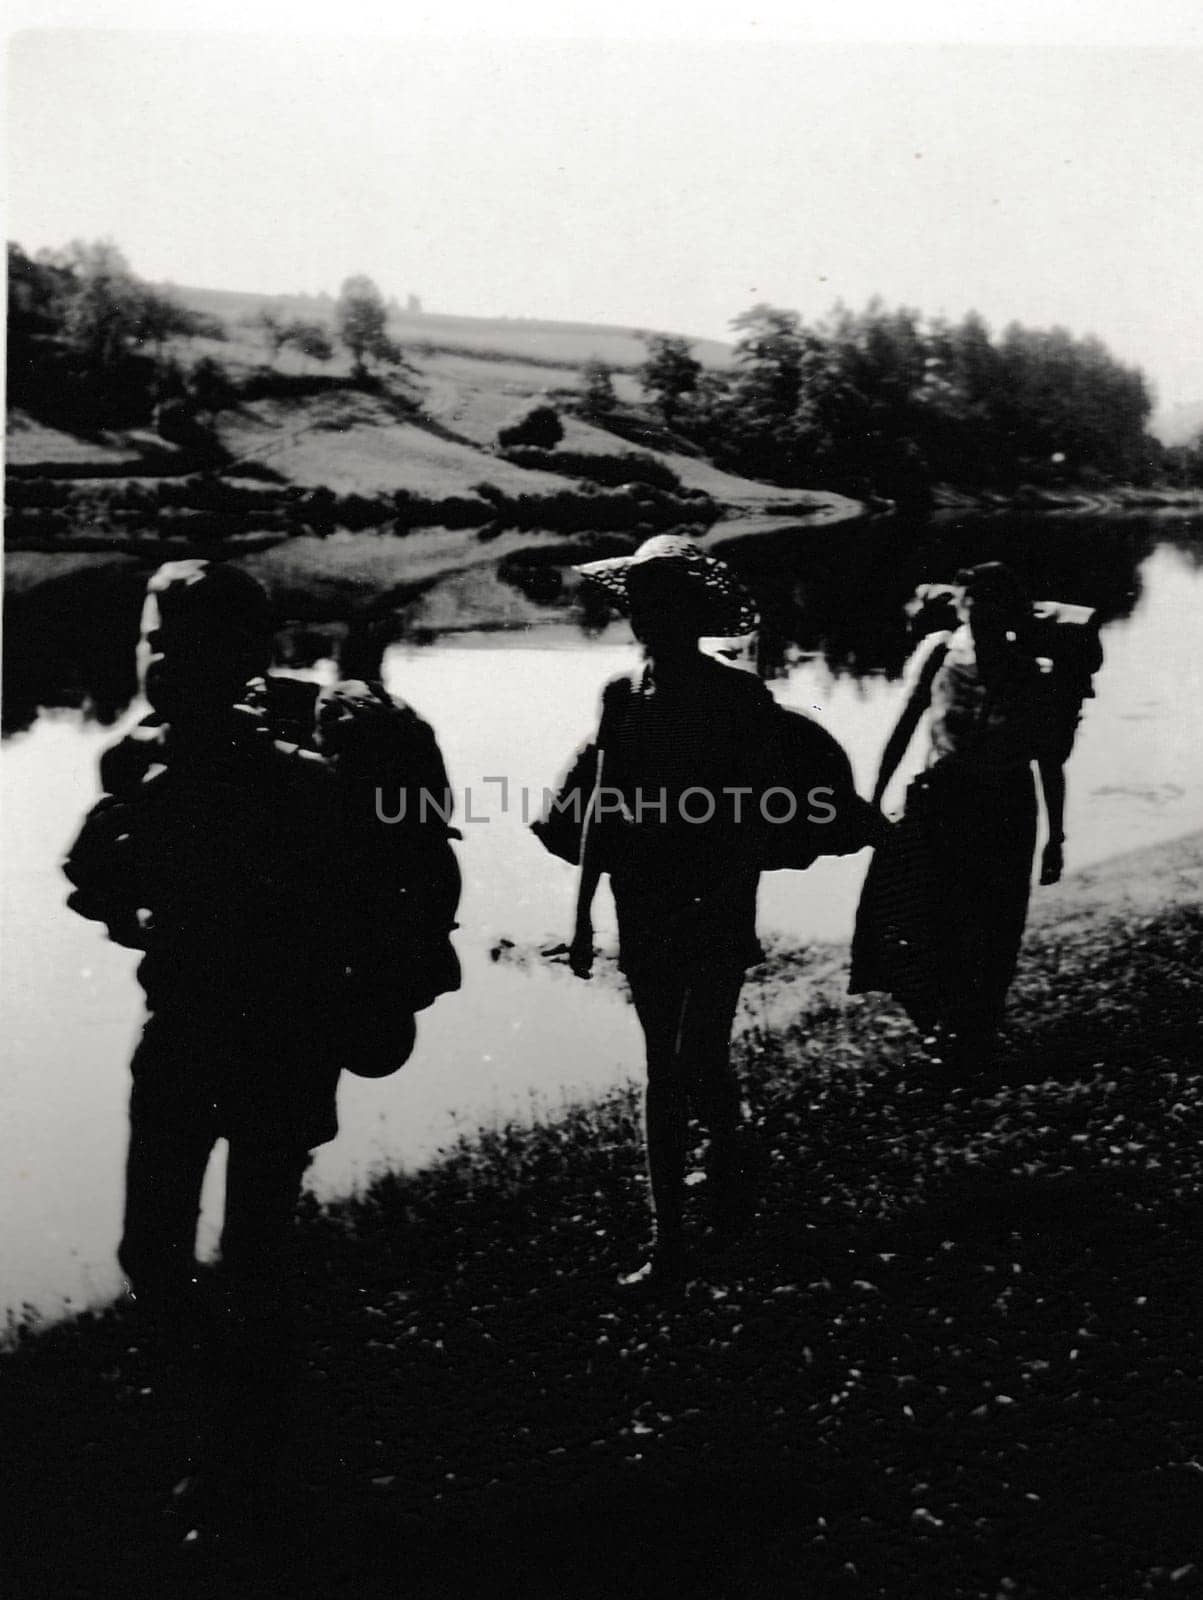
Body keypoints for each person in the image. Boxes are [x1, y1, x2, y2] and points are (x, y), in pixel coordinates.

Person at [62, 559, 459, 1533]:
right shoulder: (136, 763)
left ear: (245, 655)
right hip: (181, 1032)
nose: (161, 662)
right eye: (154, 641)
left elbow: (345, 912)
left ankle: (243, 1457)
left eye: (183, 644)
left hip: (279, 1039)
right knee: (150, 1252)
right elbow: (105, 888)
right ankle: (242, 1423)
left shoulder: (307, 781)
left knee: (252, 1256)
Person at [534, 534, 879, 1288]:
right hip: (643, 894)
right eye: (643, 605)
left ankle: (726, 1152)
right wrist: (583, 916)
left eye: (668, 605)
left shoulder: (736, 696)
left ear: (694, 614)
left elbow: (755, 814)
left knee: (701, 1058)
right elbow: (596, 809)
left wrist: (723, 887)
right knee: (665, 1064)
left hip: (717, 892)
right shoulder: (619, 696)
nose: (651, 618)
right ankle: (669, 1244)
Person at [851, 561, 1067, 1068]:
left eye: (994, 606)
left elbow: (1049, 761)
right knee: (911, 915)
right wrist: (874, 797)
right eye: (972, 605)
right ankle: (939, 1024)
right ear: (962, 606)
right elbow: (904, 723)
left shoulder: (1033, 669)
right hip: (939, 801)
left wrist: (1056, 837)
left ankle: (974, 1035)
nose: (981, 617)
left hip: (1006, 806)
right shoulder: (938, 652)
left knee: (993, 923)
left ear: (1010, 610)